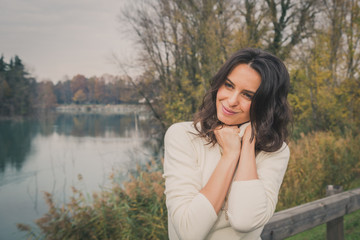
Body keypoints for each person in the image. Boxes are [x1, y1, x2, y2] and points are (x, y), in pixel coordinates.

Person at [163, 48, 292, 240]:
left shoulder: (275, 151)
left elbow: (245, 220)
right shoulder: (183, 136)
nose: (231, 101)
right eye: (229, 85)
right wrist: (230, 155)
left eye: (248, 95)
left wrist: (247, 144)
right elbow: (188, 231)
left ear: (266, 105)